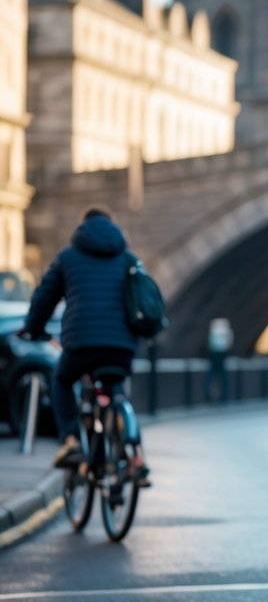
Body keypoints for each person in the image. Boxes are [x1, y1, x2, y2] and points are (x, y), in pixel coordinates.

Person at [21, 207, 148, 484]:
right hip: (121, 345)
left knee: (62, 380)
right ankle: (135, 454)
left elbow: (45, 297)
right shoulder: (127, 258)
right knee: (116, 392)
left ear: (82, 228)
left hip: (81, 343)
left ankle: (71, 440)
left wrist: (33, 328)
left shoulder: (68, 257)